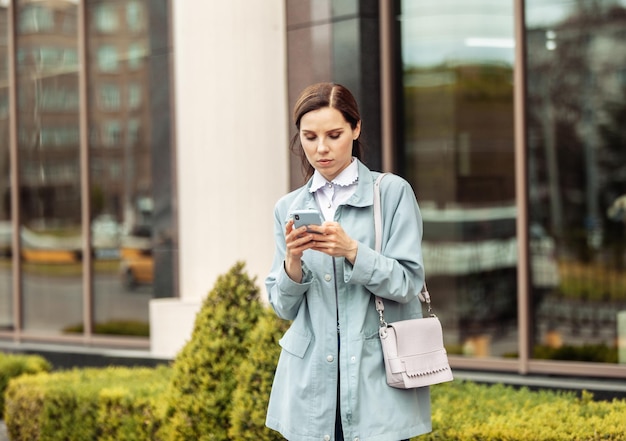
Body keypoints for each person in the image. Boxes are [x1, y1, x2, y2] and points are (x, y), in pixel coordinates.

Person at [265, 82, 431, 441]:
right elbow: (282, 307)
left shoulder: (391, 193)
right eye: (309, 137)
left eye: (334, 134)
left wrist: (353, 250)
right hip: (310, 386)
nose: (321, 148)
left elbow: (407, 283)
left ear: (356, 129)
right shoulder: (288, 208)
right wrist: (293, 261)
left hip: (377, 381)